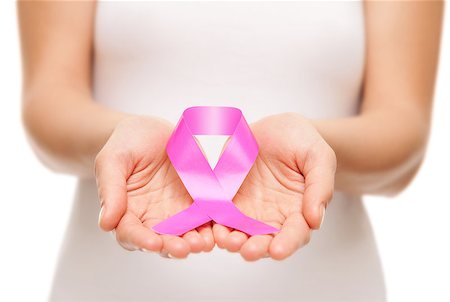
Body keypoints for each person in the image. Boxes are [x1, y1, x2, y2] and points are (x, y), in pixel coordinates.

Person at [18, 1, 443, 301]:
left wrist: (313, 150)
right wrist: (117, 141)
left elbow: (402, 134)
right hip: (102, 291)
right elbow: (48, 103)